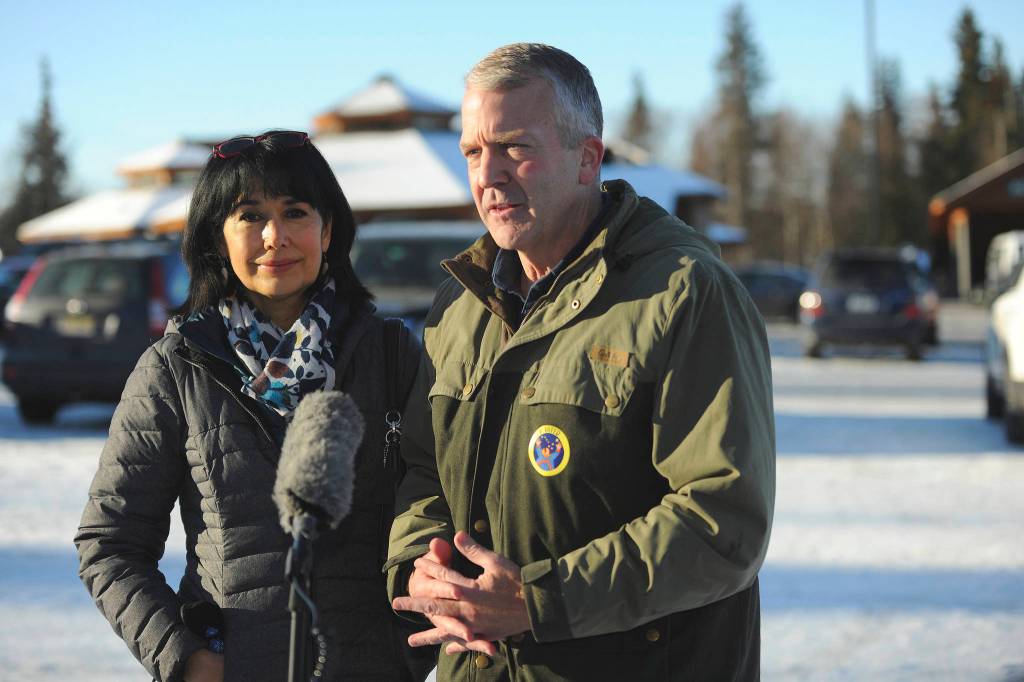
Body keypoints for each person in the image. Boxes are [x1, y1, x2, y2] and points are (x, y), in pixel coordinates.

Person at [385, 44, 776, 681]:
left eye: (514, 146)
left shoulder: (683, 291)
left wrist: (542, 601)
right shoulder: (460, 303)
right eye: (472, 152)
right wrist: (417, 565)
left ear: (586, 159)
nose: (489, 174)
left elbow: (722, 520)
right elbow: (422, 470)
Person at [74, 131, 430, 681]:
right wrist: (185, 657)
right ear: (218, 238)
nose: (275, 236)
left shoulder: (392, 355)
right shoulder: (176, 367)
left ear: (328, 229)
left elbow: (439, 506)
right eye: (250, 215)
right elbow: (110, 543)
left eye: (295, 211)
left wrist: (404, 649)